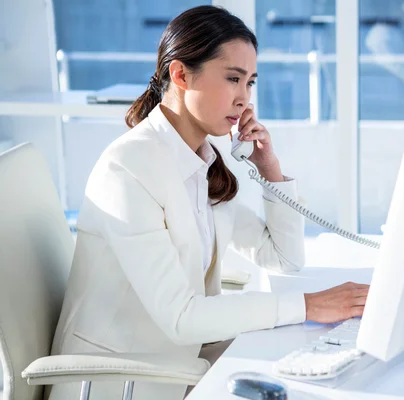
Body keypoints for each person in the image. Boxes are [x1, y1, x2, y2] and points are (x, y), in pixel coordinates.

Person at [48, 5, 368, 400]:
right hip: (118, 381)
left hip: (179, 363)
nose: (244, 99)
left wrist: (270, 170)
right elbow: (181, 317)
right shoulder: (127, 169)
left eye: (250, 82)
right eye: (233, 79)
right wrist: (309, 305)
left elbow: (283, 258)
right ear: (180, 75)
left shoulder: (202, 160)